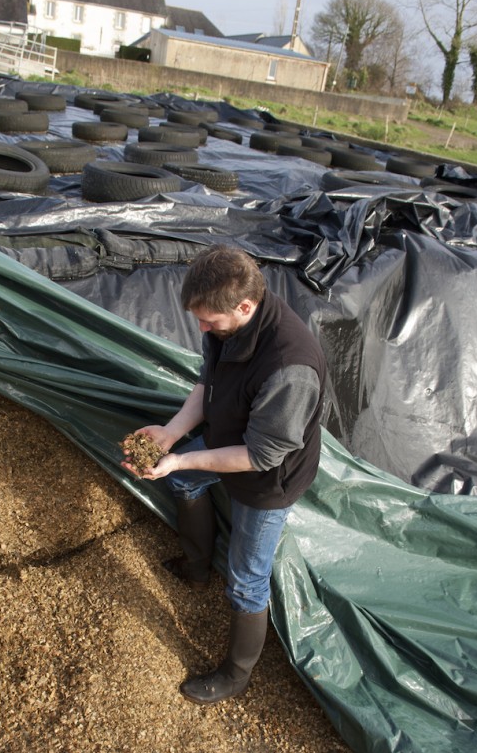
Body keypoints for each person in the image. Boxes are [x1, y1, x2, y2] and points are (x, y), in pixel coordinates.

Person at [123, 244, 327, 706]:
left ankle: (236, 673)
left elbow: (259, 457)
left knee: (246, 578)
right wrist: (170, 436)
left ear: (245, 306)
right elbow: (207, 381)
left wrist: (181, 459)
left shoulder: (288, 369)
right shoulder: (226, 323)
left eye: (208, 322)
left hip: (267, 478)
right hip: (228, 438)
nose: (201, 329)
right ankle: (197, 568)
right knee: (182, 480)